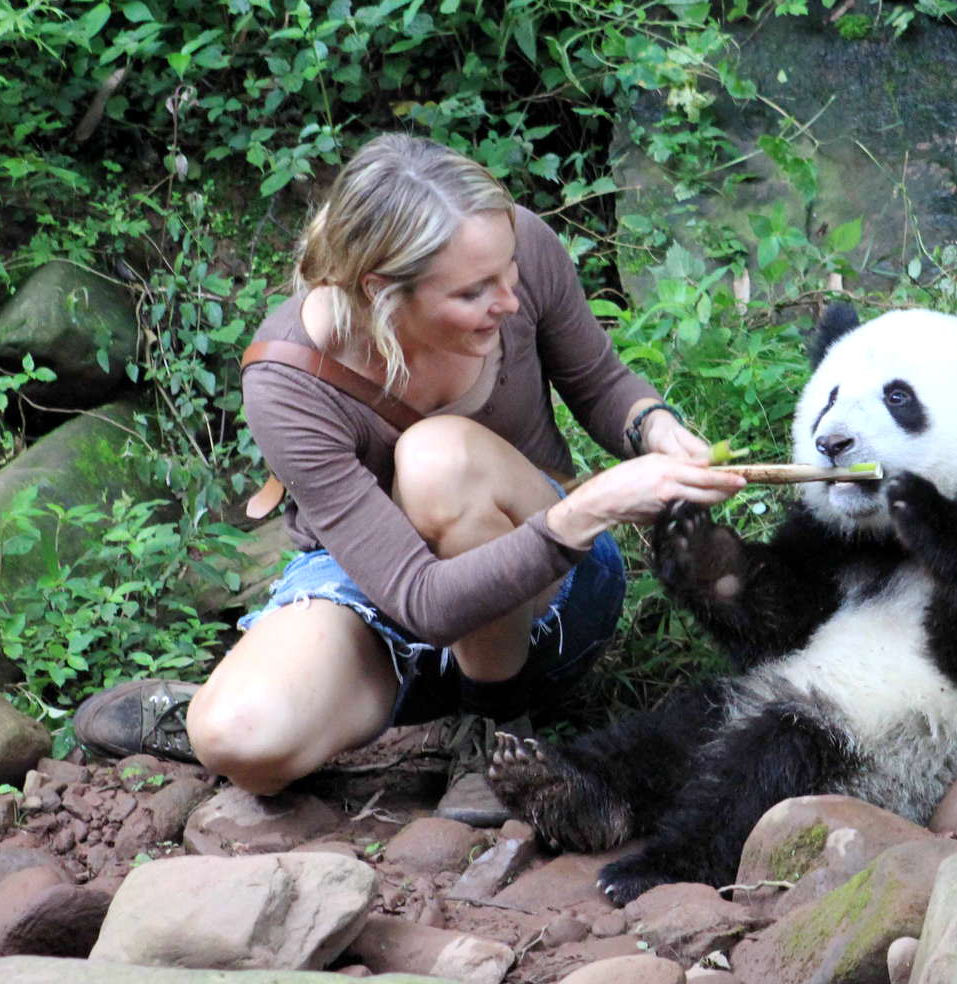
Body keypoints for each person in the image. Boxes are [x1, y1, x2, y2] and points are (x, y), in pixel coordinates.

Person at [72, 133, 744, 817]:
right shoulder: (286, 379)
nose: (508, 301)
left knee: (436, 459)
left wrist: (656, 430)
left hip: (551, 589)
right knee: (240, 738)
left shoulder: (515, 246)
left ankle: (494, 721)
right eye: (474, 292)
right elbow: (421, 601)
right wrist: (590, 509)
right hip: (393, 592)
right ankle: (255, 700)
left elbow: (600, 382)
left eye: (509, 274)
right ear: (381, 293)